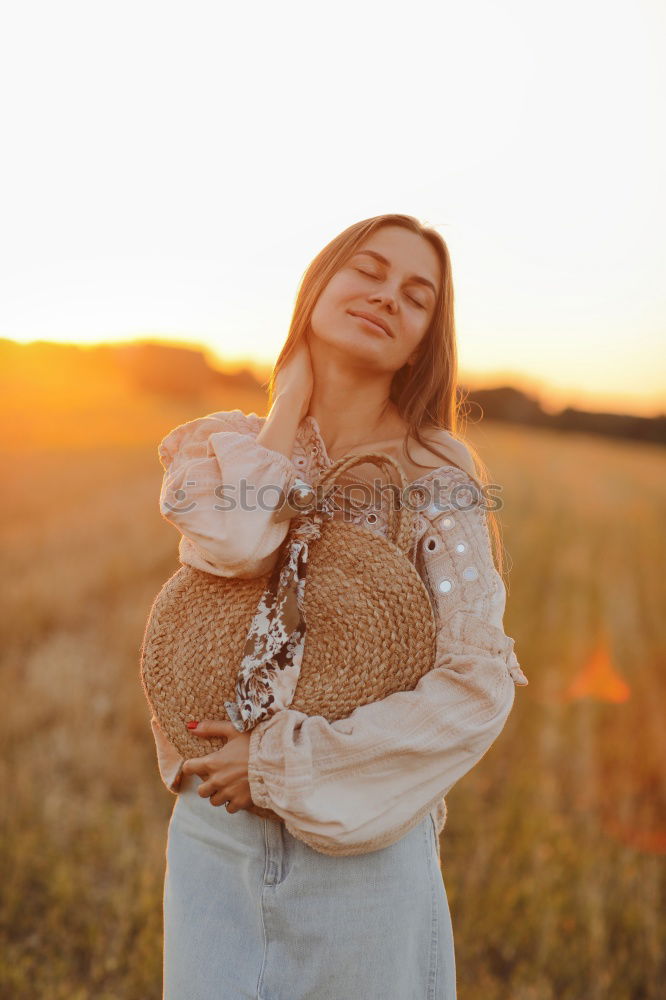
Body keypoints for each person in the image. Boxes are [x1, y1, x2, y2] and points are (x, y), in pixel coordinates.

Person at [151, 213, 529, 999]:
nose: (387, 297)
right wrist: (288, 402)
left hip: (360, 852)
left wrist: (279, 765)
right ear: (318, 284)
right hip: (211, 842)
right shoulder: (228, 450)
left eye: (416, 296)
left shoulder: (435, 476)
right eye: (368, 271)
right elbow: (235, 545)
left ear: (425, 339)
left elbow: (476, 688)